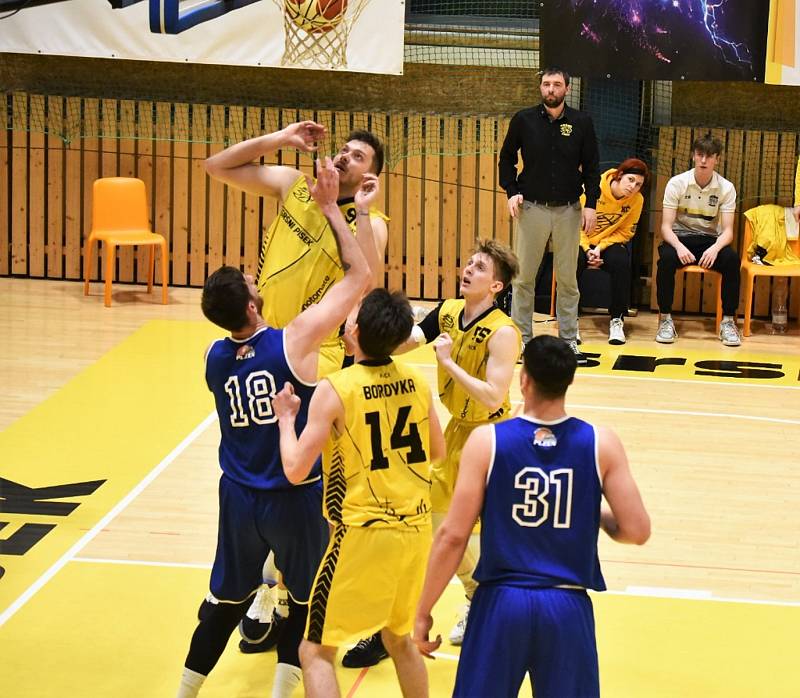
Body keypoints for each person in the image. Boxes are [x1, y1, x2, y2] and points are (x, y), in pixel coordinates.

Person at [174, 157, 370, 698]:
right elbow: (361, 278)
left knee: (222, 604)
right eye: (248, 279)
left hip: (237, 497)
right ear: (255, 302)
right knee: (305, 604)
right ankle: (284, 693)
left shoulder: (215, 358)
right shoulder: (293, 341)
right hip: (293, 495)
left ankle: (183, 692)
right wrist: (332, 207)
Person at [413, 335, 651, 698]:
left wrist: (423, 610)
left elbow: (452, 536)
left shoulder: (487, 441)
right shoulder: (601, 443)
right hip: (566, 607)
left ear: (524, 379)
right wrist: (592, 511)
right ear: (569, 382)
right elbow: (636, 530)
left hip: (501, 603)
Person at [342, 239, 521, 668]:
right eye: (468, 262)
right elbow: (407, 341)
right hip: (456, 433)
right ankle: (470, 598)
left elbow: (494, 393)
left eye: (478, 268)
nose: (468, 269)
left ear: (495, 286)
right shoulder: (448, 311)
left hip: (491, 438)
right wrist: (365, 343)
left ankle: (478, 603)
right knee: (440, 528)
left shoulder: (503, 332)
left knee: (460, 532)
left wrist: (449, 362)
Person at [271, 288, 446, 698]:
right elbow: (436, 452)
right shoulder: (417, 382)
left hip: (361, 532)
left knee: (314, 651)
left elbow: (295, 470)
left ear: (355, 329)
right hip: (416, 530)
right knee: (399, 640)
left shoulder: (337, 388)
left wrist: (285, 420)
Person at [205, 120, 388, 378]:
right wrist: (283, 137)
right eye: (344, 150)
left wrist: (362, 209)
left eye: (357, 157)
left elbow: (368, 286)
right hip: (263, 336)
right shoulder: (297, 185)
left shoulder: (371, 222)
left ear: (370, 177)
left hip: (317, 349)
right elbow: (216, 166)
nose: (345, 157)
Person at [499, 66, 600, 365]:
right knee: (524, 278)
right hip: (532, 207)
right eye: (546, 84)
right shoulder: (524, 120)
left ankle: (569, 341)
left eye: (557, 85)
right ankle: (522, 341)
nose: (551, 90)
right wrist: (511, 191)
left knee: (568, 279)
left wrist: (591, 203)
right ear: (541, 88)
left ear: (567, 89)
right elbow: (506, 158)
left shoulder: (581, 121)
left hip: (569, 209)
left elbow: (593, 166)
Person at [656, 133, 741, 346]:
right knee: (665, 260)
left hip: (709, 240)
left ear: (717, 159)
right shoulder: (677, 183)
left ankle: (728, 322)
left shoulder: (726, 188)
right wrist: (678, 247)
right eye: (700, 155)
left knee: (731, 260)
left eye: (709, 156)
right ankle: (665, 320)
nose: (704, 160)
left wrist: (714, 249)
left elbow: (728, 231)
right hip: (680, 238)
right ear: (693, 156)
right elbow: (666, 227)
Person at [577, 158, 649, 345]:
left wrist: (600, 248)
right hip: (581, 240)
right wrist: (586, 249)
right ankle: (570, 321)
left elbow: (625, 232)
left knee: (621, 261)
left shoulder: (637, 200)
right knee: (571, 261)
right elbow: (573, 224)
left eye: (638, 184)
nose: (633, 187)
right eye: (630, 180)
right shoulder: (591, 189)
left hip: (606, 244)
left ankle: (617, 320)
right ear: (619, 175)